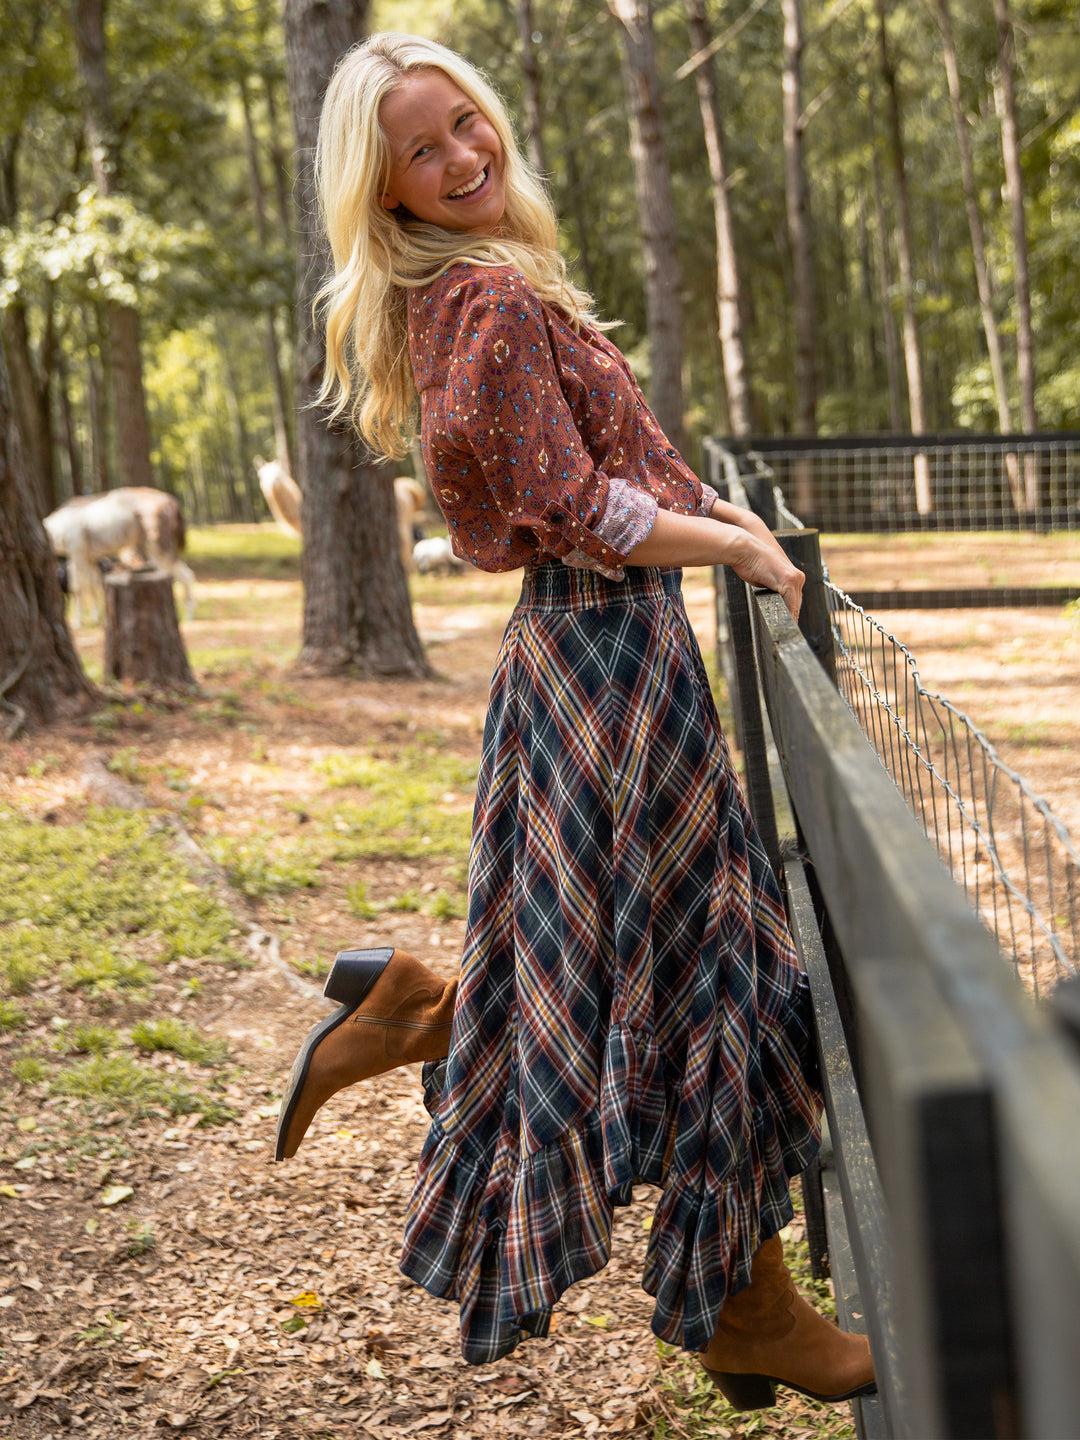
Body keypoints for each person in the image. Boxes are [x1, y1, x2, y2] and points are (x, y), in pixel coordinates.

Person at [275, 31, 876, 1411]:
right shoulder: (483, 297)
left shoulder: (489, 281)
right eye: (421, 149)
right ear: (385, 187)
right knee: (713, 973)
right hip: (603, 661)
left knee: (677, 967)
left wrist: (718, 512)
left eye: (466, 122)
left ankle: (428, 1011)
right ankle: (745, 1308)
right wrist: (737, 548)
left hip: (603, 656)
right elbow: (578, 505)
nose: (461, 155)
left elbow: (630, 465)